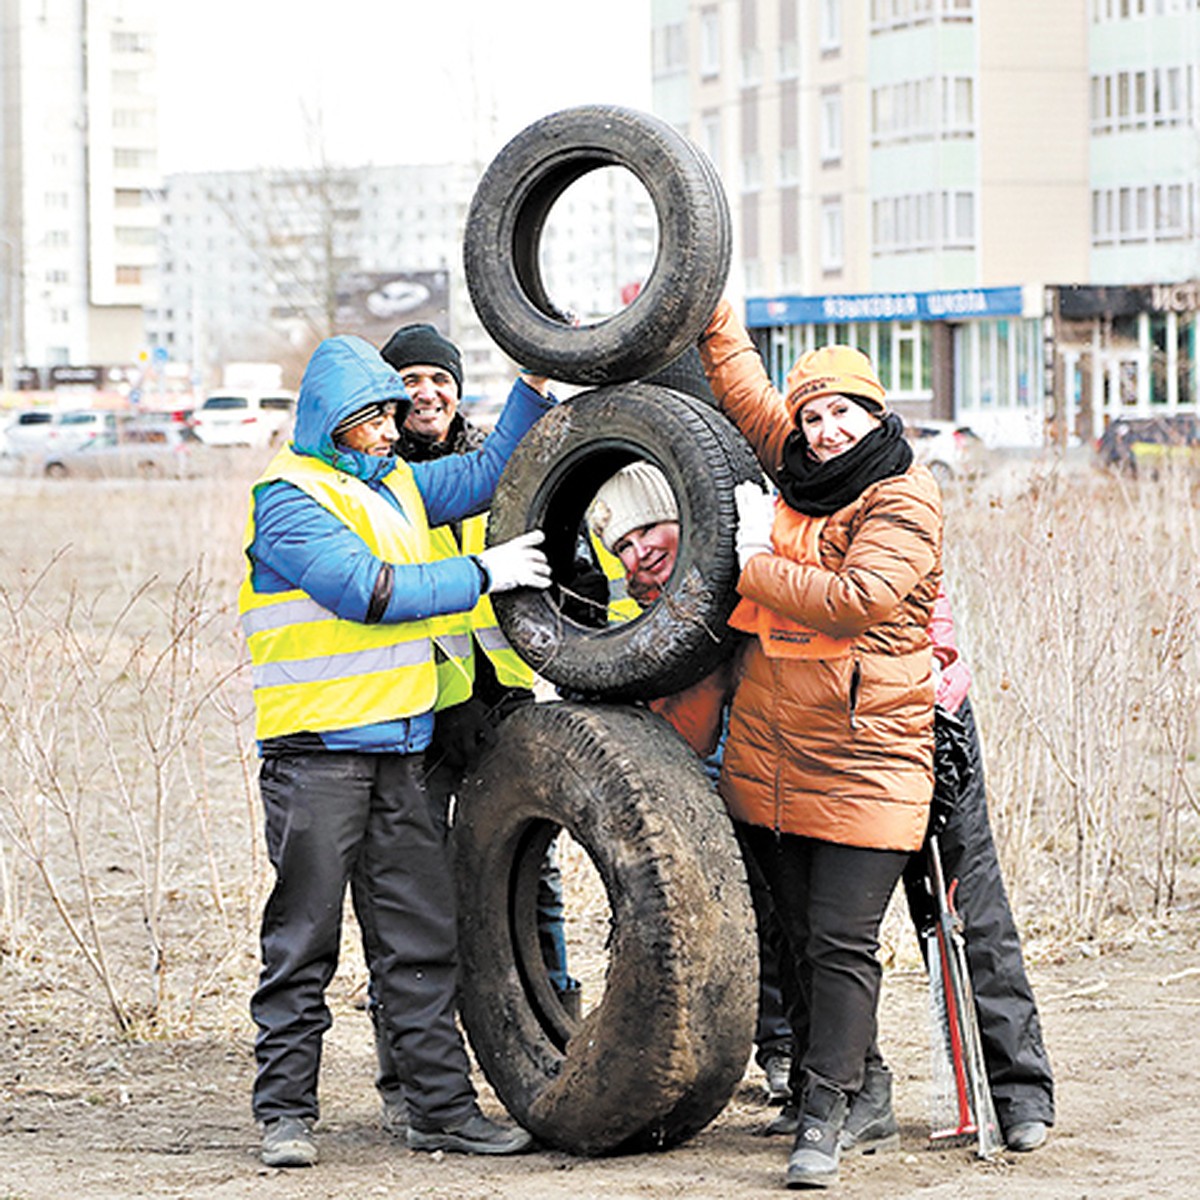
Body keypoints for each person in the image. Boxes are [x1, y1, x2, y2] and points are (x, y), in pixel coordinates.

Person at [239, 333, 556, 1168]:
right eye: (372, 418)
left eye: (390, 415)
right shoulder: (289, 497)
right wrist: (484, 574)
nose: (391, 428)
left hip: (400, 753)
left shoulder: (401, 487)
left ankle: (440, 1113)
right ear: (332, 421)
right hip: (318, 758)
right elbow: (369, 591)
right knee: (303, 938)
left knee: (421, 940)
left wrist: (533, 376)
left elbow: (486, 476)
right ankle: (284, 1115)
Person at [698, 301, 943, 1189]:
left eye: (843, 410)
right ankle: (861, 1086)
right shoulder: (797, 466)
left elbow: (858, 598)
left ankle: (826, 1116)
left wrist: (754, 559)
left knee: (841, 940)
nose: (826, 429)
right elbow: (742, 382)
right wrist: (702, 291)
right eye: (813, 414)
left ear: (876, 413)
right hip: (773, 753)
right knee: (798, 936)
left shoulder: (904, 495)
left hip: (866, 752)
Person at [364, 324, 580, 1138]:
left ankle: (555, 1040)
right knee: (408, 894)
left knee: (533, 877)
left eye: (439, 378)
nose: (426, 392)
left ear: (458, 387)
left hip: (502, 703)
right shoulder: (373, 480)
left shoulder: (504, 460)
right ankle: (407, 1074)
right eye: (409, 379)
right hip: (415, 716)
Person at [585, 461, 795, 1103]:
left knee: (770, 911)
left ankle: (784, 1051)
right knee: (671, 920)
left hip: (749, 767)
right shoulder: (625, 610)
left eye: (648, 529)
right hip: (672, 782)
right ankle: (681, 1057)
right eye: (622, 544)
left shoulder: (735, 574)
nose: (639, 551)